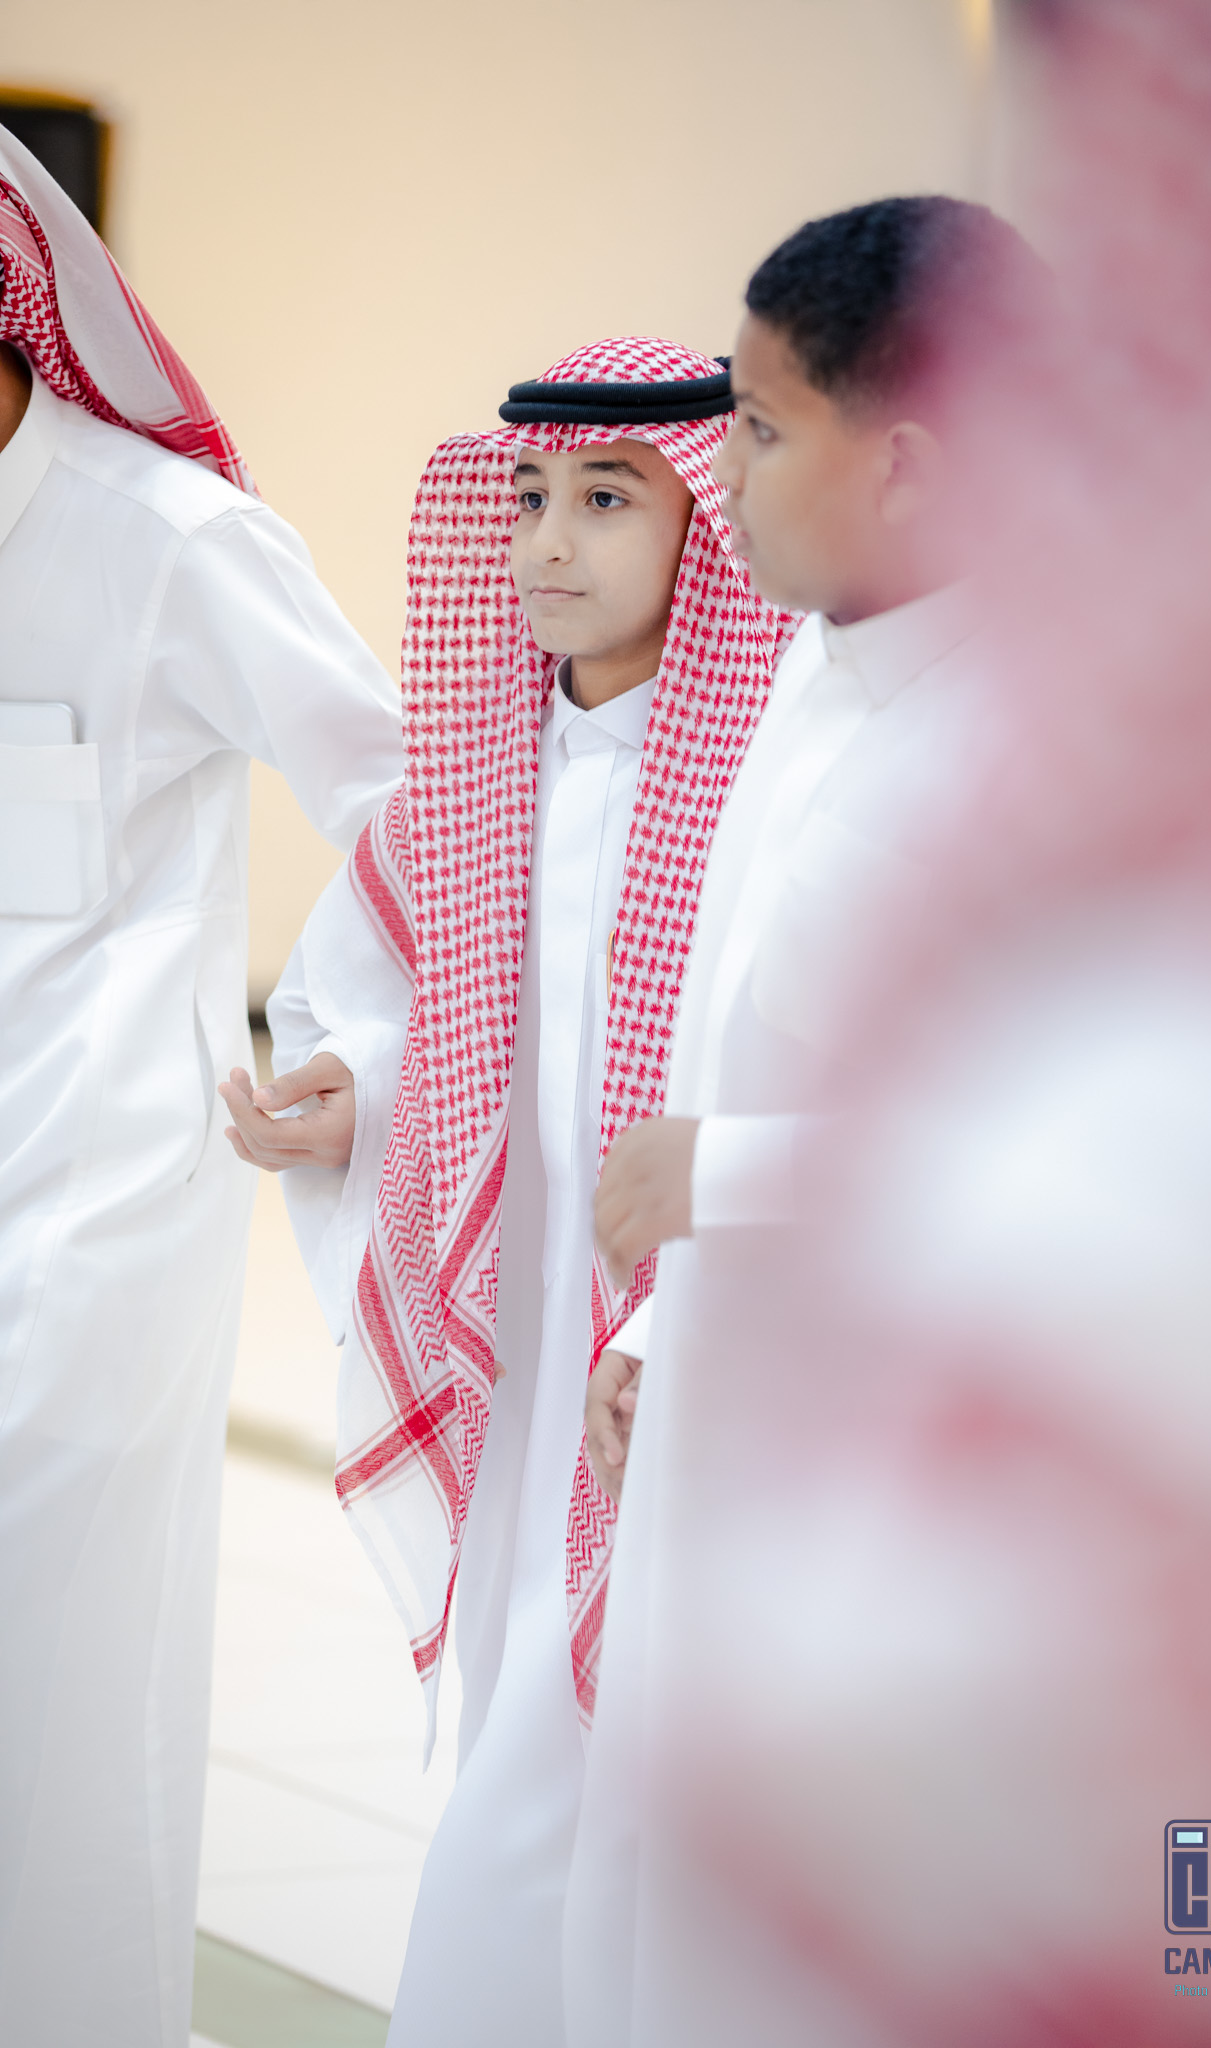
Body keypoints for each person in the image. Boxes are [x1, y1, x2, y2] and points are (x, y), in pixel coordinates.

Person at [220, 336, 791, 2045]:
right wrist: (360, 1096)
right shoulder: (479, 766)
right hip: (519, 1333)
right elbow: (408, 1007)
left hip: (683, 1335)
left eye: (607, 500)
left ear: (704, 520)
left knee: (585, 1755)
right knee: (531, 1721)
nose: (547, 542)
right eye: (529, 497)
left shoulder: (767, 775)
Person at [565, 197, 1046, 2043]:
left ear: (906, 463)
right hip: (729, 1409)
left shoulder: (1050, 732)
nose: (726, 479)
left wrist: (723, 1178)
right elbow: (764, 1040)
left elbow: (1064, 1147)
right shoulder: (810, 676)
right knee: (671, 1907)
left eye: (762, 432)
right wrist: (664, 1320)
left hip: (924, 1484)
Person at [0, 128, 400, 2047]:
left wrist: (347, 1043)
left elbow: (406, 804)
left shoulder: (166, 539)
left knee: (56, 1657)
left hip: (90, 1202)